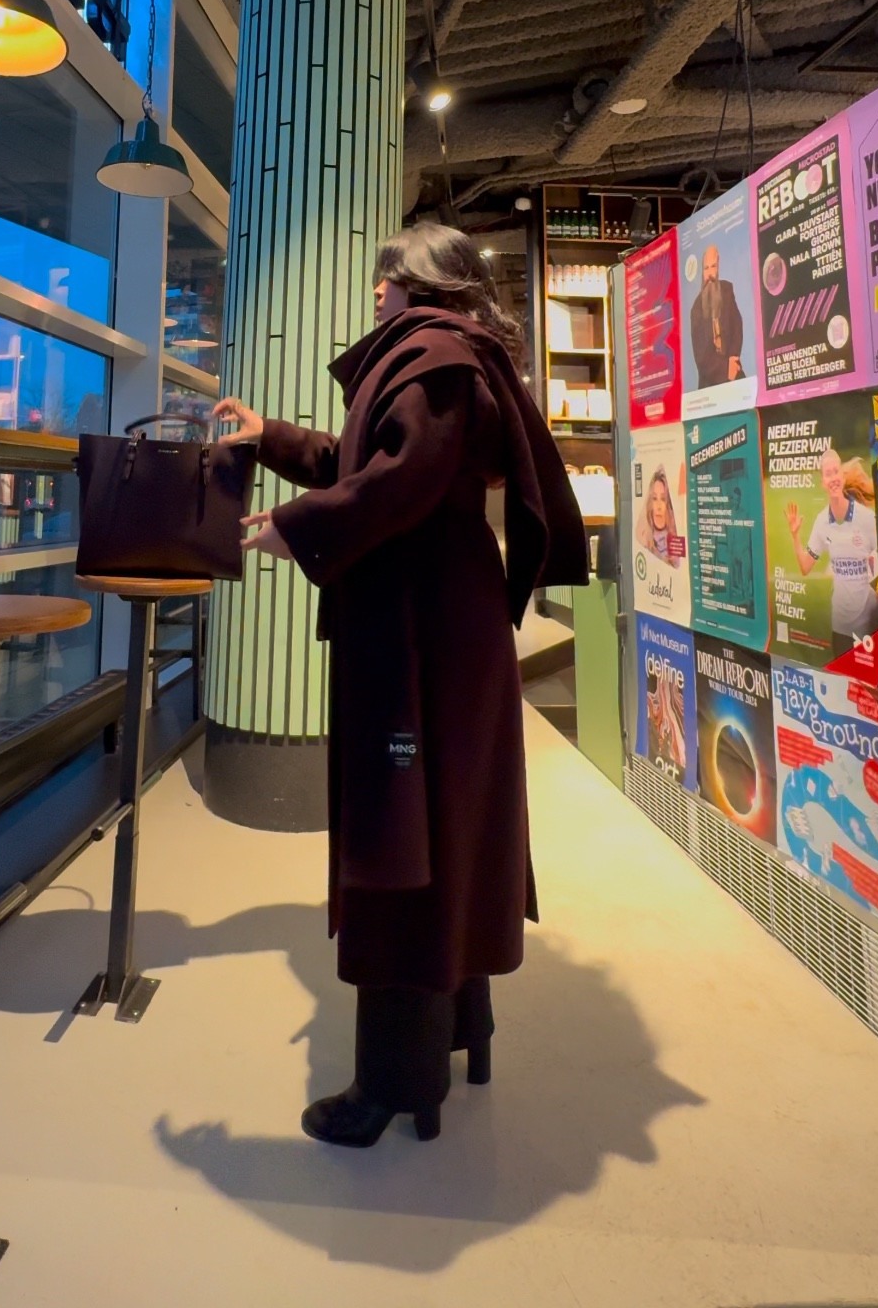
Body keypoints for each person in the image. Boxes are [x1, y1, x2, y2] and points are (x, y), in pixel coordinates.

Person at [213, 223, 587, 1147]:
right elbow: (370, 464)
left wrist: (297, 527)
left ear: (415, 281)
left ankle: (394, 1083)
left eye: (385, 275)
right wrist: (270, 439)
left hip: (416, 634)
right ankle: (464, 1028)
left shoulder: (434, 360)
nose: (375, 291)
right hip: (442, 626)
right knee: (447, 829)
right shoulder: (445, 358)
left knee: (401, 843)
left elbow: (398, 483)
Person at [784, 449, 878, 659]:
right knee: (844, 676)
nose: (833, 478)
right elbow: (805, 567)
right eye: (828, 474)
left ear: (842, 477)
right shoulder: (822, 522)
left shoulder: (867, 519)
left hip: (870, 624)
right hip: (840, 628)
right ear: (823, 482)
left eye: (836, 471)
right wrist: (795, 535)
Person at [689, 244, 745, 388]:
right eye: (706, 268)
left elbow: (737, 326)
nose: (709, 274)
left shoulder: (727, 290)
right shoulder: (696, 309)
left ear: (718, 267)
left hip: (734, 371)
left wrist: (733, 360)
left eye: (713, 266)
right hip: (710, 381)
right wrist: (726, 369)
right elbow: (701, 358)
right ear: (702, 272)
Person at [635, 464, 682, 568]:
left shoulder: (676, 533)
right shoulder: (644, 536)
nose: (658, 506)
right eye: (655, 498)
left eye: (663, 499)